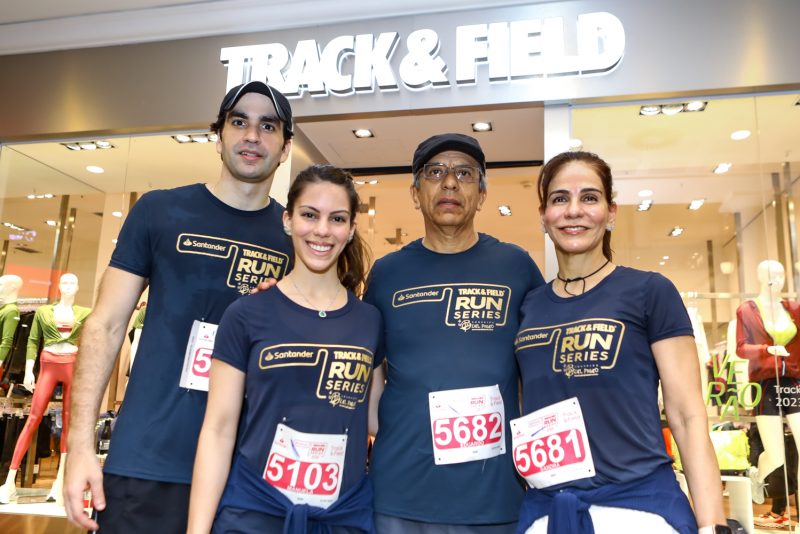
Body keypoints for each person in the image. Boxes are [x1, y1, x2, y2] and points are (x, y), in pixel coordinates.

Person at [63, 80, 295, 532]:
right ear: (219, 135)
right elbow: (106, 325)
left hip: (245, 475)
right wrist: (79, 445)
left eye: (268, 126)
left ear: (285, 148)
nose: (252, 135)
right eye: (239, 122)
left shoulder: (296, 240)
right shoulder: (159, 211)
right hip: (146, 463)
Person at [513, 151, 726, 534]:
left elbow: (687, 415)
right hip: (547, 514)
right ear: (544, 216)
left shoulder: (649, 291)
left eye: (589, 198)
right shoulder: (528, 306)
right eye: (560, 199)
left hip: (639, 510)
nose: (574, 210)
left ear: (611, 212)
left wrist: (713, 524)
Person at [188, 164, 381, 533]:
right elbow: (218, 429)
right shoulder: (246, 314)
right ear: (288, 220)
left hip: (342, 519)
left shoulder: (370, 321)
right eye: (310, 215)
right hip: (254, 515)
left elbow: (376, 417)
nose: (322, 230)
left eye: (337, 218)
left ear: (351, 229)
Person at [366, 133, 545, 532]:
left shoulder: (516, 267)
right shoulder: (387, 273)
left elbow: (539, 369)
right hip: (400, 495)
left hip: (497, 496)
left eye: (464, 173)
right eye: (436, 172)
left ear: (481, 194)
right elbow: (369, 372)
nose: (450, 183)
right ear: (415, 193)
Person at [0, 273, 90, 505]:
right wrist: (29, 370)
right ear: (59, 286)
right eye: (65, 282)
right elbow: (32, 340)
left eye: (73, 282)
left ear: (78, 287)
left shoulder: (85, 313)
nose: (69, 286)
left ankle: (59, 485)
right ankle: (9, 482)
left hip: (73, 366)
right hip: (48, 365)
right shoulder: (43, 312)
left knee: (69, 423)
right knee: (32, 419)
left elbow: (92, 342)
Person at [737, 259, 800, 528]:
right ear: (761, 278)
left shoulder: (794, 308)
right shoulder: (748, 310)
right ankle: (756, 476)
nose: (778, 280)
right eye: (771, 275)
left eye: (782, 274)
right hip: (766, 385)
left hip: (794, 382)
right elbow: (741, 348)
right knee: (775, 455)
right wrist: (766, 350)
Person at [0, 274, 22, 384]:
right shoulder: (4, 309)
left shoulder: (11, 310)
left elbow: (7, 341)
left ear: (12, 287)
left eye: (1, 285)